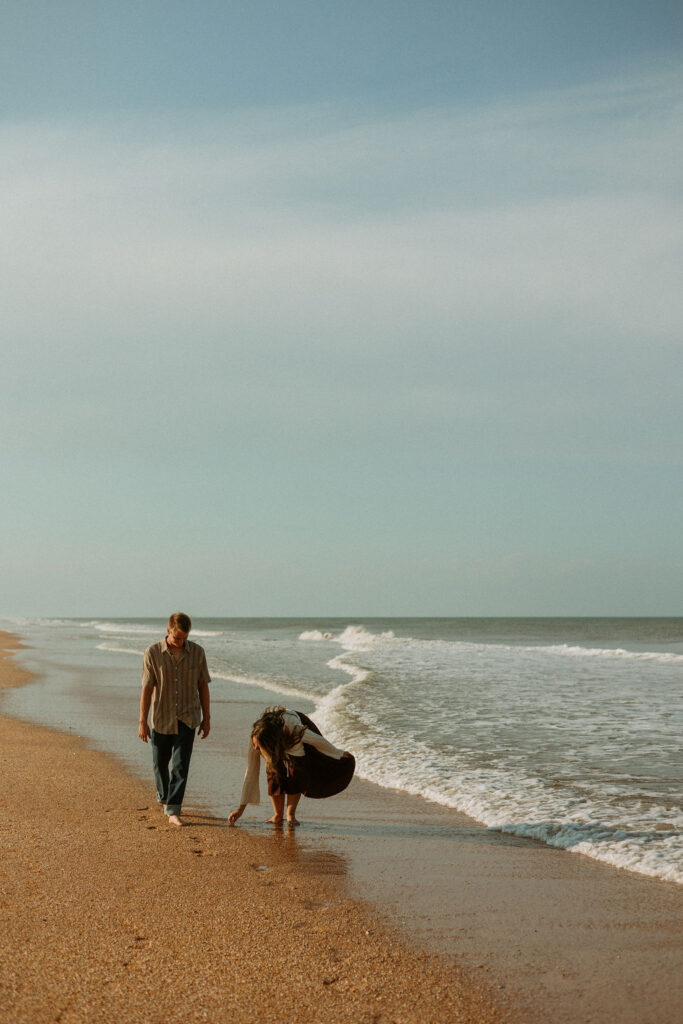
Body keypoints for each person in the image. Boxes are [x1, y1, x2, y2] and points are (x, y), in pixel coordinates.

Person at [138, 612, 211, 827]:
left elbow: (203, 686)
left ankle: (173, 810)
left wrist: (207, 718)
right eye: (177, 637)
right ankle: (164, 796)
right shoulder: (152, 653)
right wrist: (142, 721)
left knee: (180, 765)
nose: (181, 642)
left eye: (184, 638)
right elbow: (147, 688)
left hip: (188, 717)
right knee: (159, 763)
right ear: (168, 631)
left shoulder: (197, 653)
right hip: (162, 717)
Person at [228, 706, 355, 827]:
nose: (255, 748)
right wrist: (240, 809)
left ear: (270, 745)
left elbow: (319, 742)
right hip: (274, 735)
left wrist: (339, 754)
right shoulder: (257, 736)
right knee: (273, 770)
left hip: (294, 728)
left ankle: (290, 814)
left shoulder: (296, 731)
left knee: (296, 770)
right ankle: (277, 815)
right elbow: (251, 772)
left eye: (259, 747)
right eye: (255, 744)